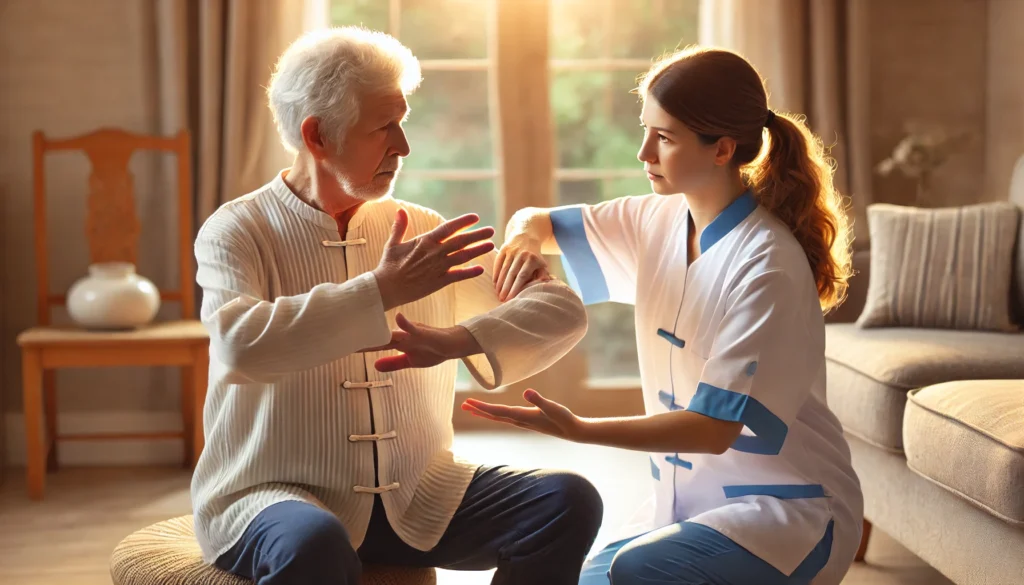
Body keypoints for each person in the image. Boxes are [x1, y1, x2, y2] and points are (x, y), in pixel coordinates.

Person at [190, 26, 602, 585]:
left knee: (566, 500)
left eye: (402, 122)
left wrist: (459, 340)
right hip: (272, 494)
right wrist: (383, 291)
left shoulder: (423, 232)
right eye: (384, 127)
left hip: (420, 494)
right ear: (317, 136)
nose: (403, 146)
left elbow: (562, 310)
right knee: (314, 543)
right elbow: (239, 344)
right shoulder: (236, 231)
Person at [466, 45, 863, 585]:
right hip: (686, 507)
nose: (642, 153)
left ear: (722, 149)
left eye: (665, 138)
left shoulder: (766, 266)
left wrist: (581, 429)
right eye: (645, 129)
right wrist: (522, 243)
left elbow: (713, 429)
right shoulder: (655, 219)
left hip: (789, 512)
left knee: (639, 570)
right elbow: (534, 219)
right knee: (588, 578)